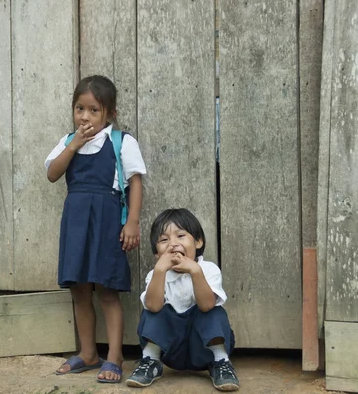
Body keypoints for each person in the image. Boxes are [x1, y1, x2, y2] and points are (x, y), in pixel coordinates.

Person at [45, 75, 146, 383]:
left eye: (93, 110)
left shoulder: (121, 142)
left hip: (105, 222)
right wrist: (74, 144)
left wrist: (132, 222)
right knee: (79, 289)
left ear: (109, 114)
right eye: (79, 108)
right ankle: (88, 353)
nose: (85, 116)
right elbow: (52, 173)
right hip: (76, 223)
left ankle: (114, 356)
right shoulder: (67, 141)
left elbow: (136, 183)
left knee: (106, 289)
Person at [125, 208, 239, 391]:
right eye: (164, 240)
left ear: (198, 241)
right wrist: (160, 271)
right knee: (152, 310)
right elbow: (153, 306)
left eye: (180, 236)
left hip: (203, 347)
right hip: (170, 349)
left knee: (215, 311)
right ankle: (151, 361)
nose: (173, 244)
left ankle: (220, 362)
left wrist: (195, 271)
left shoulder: (208, 269)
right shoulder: (155, 274)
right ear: (157, 253)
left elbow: (207, 304)